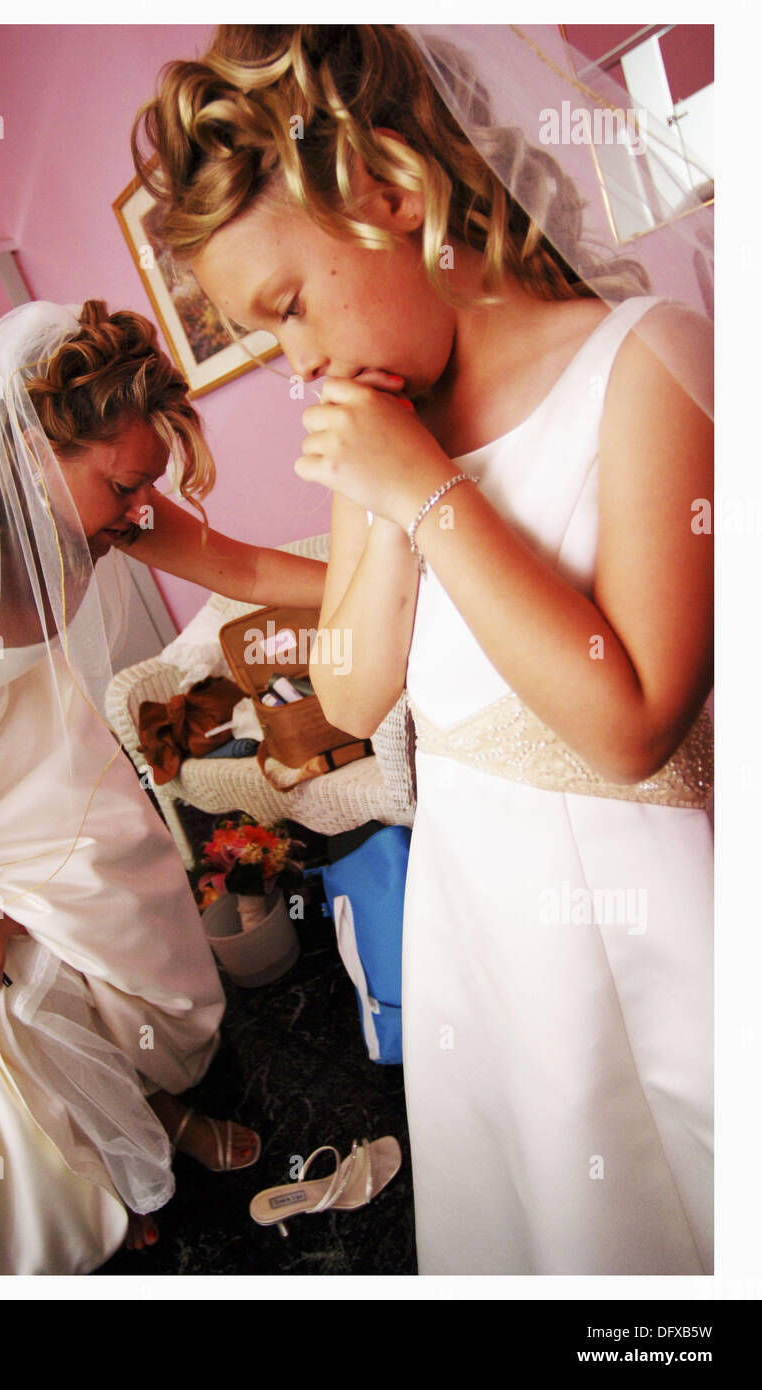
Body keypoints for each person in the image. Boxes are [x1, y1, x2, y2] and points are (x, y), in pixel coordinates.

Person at [135, 24, 714, 1274]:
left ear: (393, 196)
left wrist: (432, 492)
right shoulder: (381, 425)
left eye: (287, 306)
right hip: (481, 905)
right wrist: (393, 496)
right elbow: (351, 683)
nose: (294, 361)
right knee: (540, 1200)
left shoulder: (645, 361)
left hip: (650, 907)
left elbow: (631, 723)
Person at [0, 297, 325, 1274]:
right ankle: (100, 1176)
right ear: (33, 448)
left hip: (33, 768)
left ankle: (151, 1107)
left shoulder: (106, 502)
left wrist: (373, 584)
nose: (138, 507)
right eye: (123, 483)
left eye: (146, 484)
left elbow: (231, 561)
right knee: (11, 1001)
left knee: (123, 936)